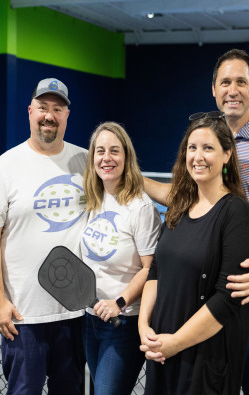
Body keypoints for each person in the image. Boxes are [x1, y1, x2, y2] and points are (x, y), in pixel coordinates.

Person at [144, 49, 249, 395]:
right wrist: (131, 178)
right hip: (200, 282)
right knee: (206, 375)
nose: (233, 90)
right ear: (214, 90)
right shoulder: (205, 138)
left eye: (241, 82)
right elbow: (184, 196)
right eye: (225, 82)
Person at [0, 78, 88, 395]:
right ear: (30, 111)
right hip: (23, 316)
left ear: (67, 114)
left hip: (76, 314)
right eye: (42, 107)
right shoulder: (5, 166)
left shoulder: (86, 162)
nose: (49, 115)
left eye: (57, 108)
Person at [139, 113, 249, 394]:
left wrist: (175, 343)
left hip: (204, 363)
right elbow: (157, 270)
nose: (198, 156)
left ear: (227, 155)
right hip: (162, 354)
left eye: (208, 148)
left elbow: (227, 300)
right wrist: (144, 325)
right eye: (192, 148)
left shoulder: (237, 214)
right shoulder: (179, 207)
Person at [80, 122, 161, 395]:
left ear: (126, 157)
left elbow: (150, 269)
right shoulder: (92, 200)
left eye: (115, 151)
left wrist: (119, 302)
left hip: (123, 322)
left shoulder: (140, 207)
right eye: (100, 151)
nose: (107, 158)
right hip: (90, 319)